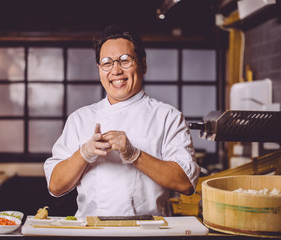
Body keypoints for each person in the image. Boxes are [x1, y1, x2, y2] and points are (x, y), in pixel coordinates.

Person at [44, 24, 200, 217]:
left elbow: (186, 183)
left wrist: (134, 154)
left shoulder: (168, 117)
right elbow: (55, 186)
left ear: (143, 64)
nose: (115, 70)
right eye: (107, 63)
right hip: (91, 233)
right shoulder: (80, 119)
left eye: (125, 60)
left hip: (149, 233)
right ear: (99, 69)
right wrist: (84, 153)